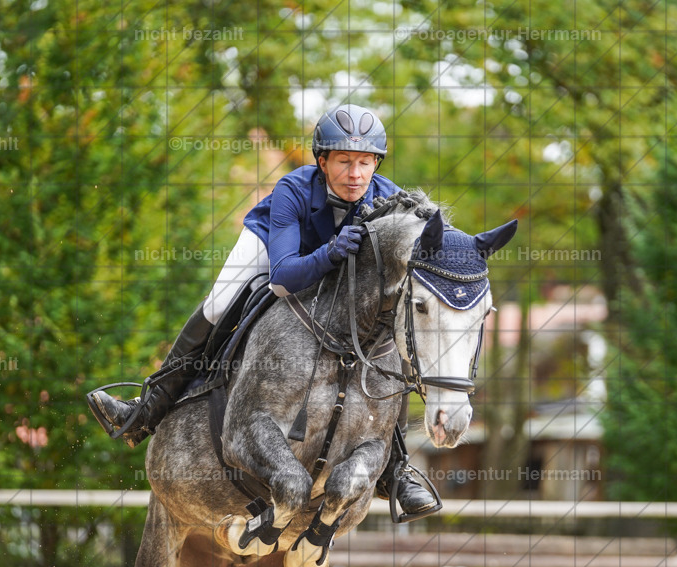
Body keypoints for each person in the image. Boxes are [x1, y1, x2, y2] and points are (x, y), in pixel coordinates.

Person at [87, 104, 438, 517]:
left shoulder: (388, 200)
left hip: (334, 267)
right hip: (279, 250)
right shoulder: (293, 189)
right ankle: (147, 411)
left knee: (391, 333)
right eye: (344, 161)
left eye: (365, 162)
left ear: (376, 164)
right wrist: (328, 253)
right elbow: (283, 278)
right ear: (322, 161)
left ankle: (395, 468)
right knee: (220, 302)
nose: (355, 174)